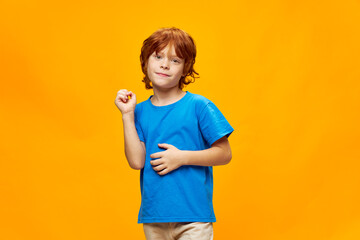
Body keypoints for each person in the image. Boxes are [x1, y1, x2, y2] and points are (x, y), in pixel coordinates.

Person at [115, 27, 234, 240]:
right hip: (154, 218)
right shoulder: (139, 111)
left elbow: (224, 153)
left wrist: (181, 157)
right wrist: (127, 115)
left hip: (193, 218)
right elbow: (136, 161)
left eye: (175, 60)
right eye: (158, 56)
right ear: (145, 62)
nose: (164, 65)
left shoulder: (199, 106)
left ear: (185, 68)